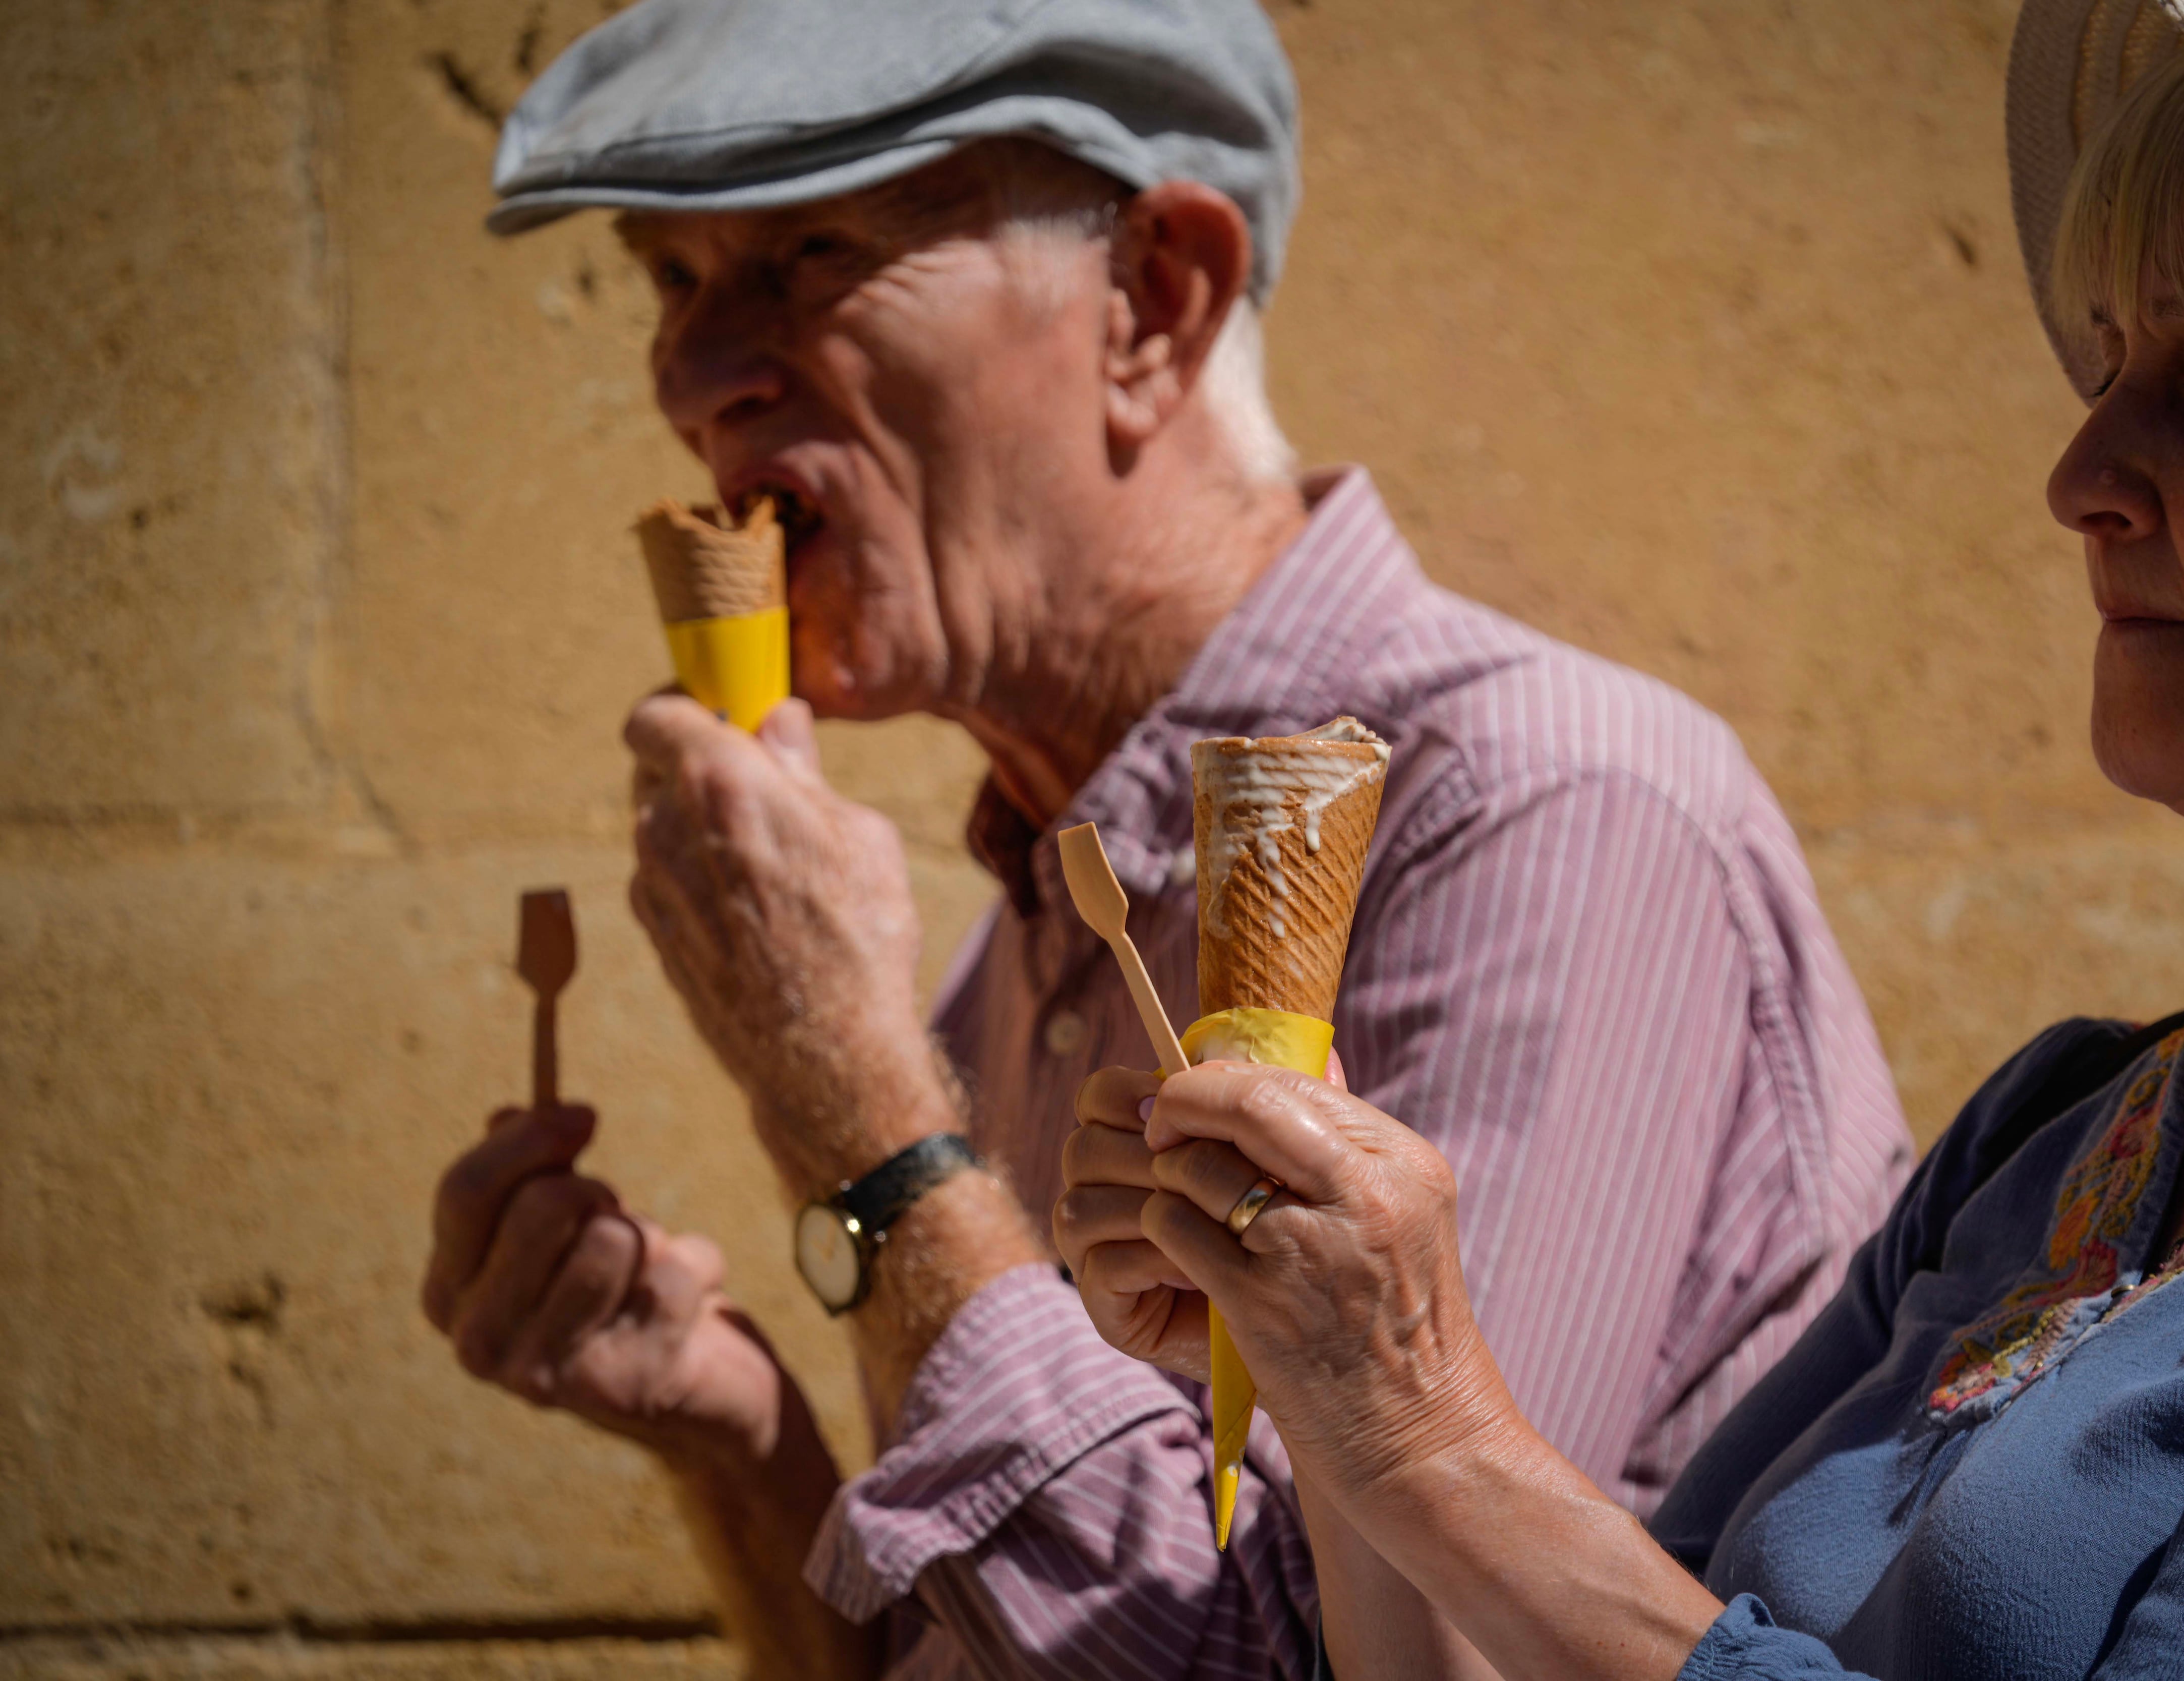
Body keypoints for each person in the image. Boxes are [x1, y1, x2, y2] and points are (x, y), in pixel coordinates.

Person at [417, 3, 1912, 1678]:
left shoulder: (1547, 813)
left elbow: (1296, 1661)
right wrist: (741, 1448)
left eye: (812, 254)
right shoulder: (1028, 950)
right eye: (672, 282)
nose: (693, 375)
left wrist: (852, 1105)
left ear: (1155, 302)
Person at [1061, 1, 2184, 1676]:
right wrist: (1327, 1388)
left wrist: (1433, 1428)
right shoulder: (2053, 1131)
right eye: (2109, 368)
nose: (2083, 471)